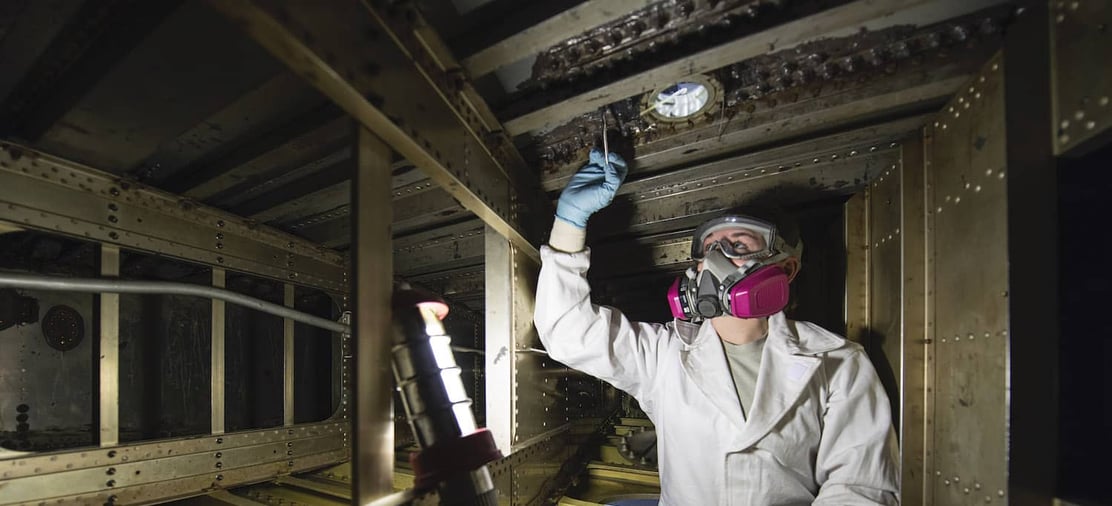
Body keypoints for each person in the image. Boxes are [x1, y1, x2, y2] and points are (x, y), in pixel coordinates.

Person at [534, 148, 899, 505]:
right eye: (708, 248)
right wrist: (569, 225)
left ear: (785, 268)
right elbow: (569, 334)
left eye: (737, 245)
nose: (714, 260)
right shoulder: (666, 354)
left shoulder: (838, 361)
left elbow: (860, 486)